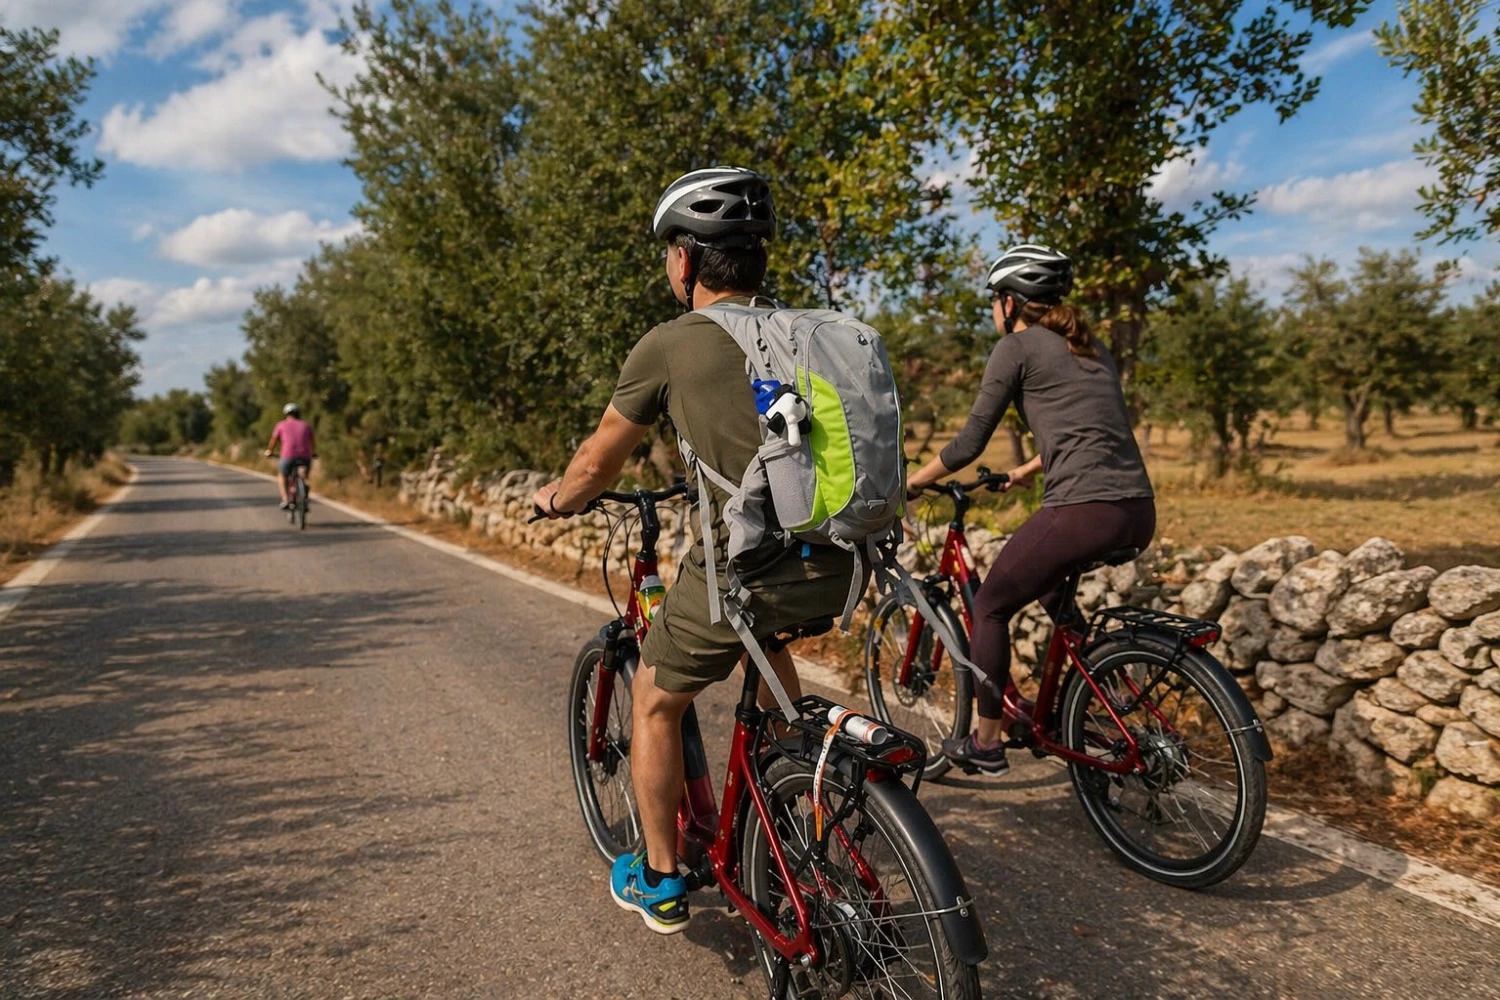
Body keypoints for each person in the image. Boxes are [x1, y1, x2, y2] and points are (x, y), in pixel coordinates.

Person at [532, 167, 860, 935]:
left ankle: (661, 876)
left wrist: (556, 498)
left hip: (744, 569)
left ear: (685, 259)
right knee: (766, 646)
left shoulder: (671, 344)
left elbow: (596, 464)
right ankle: (785, 795)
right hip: (839, 562)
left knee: (653, 699)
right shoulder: (806, 333)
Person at [905, 244, 1155, 775]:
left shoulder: (1016, 348)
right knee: (1047, 580)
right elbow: (1093, 430)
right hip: (1136, 508)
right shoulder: (1092, 347)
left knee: (991, 605)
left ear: (1012, 303)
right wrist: (1025, 472)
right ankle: (1100, 688)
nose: (995, 312)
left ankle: (987, 742)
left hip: (1083, 508)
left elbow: (970, 441)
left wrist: (913, 481)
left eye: (995, 301)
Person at [264, 403, 316, 509]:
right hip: (305, 457)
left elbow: (274, 440)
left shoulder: (281, 425)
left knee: (282, 475)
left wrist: (269, 451)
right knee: (304, 475)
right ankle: (304, 485)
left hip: (288, 456)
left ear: (286, 414)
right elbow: (312, 441)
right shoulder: (306, 425)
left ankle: (286, 499)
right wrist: (313, 452)